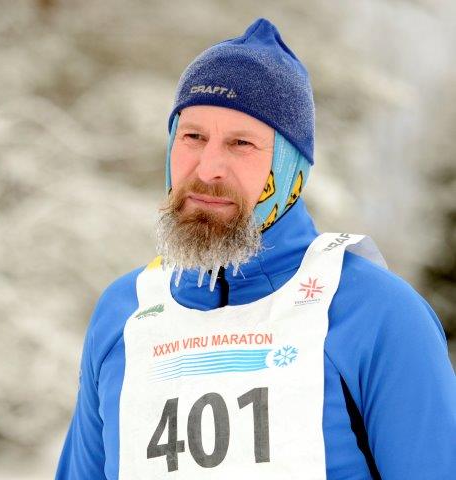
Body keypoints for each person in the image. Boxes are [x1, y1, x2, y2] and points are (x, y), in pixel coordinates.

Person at [55, 18, 456, 480]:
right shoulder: (123, 314)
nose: (207, 168)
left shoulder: (375, 312)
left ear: (289, 171)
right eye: (193, 137)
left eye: (241, 143)